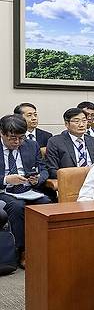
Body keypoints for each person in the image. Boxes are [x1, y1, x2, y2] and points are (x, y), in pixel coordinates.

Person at [0, 115, 50, 269]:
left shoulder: (31, 145)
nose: (17, 142)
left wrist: (39, 178)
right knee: (17, 207)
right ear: (1, 133)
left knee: (46, 203)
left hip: (28, 189)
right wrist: (7, 180)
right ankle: (21, 250)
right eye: (13, 138)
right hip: (4, 190)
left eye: (21, 138)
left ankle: (41, 248)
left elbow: (43, 168)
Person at [45, 108, 94, 179]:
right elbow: (52, 170)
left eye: (84, 121)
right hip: (70, 181)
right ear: (67, 124)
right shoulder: (55, 142)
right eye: (76, 121)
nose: (81, 125)